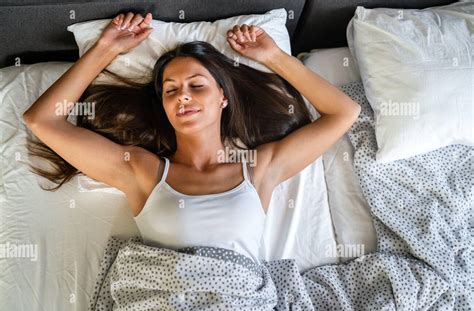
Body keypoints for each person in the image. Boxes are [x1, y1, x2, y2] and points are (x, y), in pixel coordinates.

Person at [23, 12, 361, 263]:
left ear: (223, 98)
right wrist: (103, 50)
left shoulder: (258, 169)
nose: (183, 96)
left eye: (197, 86)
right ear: (164, 106)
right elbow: (42, 121)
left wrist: (273, 57)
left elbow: (344, 113)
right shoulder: (143, 171)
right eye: (171, 90)